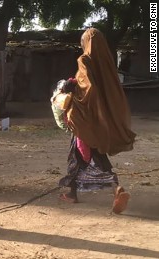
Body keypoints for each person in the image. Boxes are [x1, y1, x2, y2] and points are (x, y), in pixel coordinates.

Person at [58, 28, 136, 214]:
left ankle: (114, 188)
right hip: (102, 119)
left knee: (83, 156)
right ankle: (76, 192)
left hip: (85, 119)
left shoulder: (84, 60)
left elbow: (88, 90)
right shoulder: (107, 63)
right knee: (83, 155)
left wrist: (71, 88)